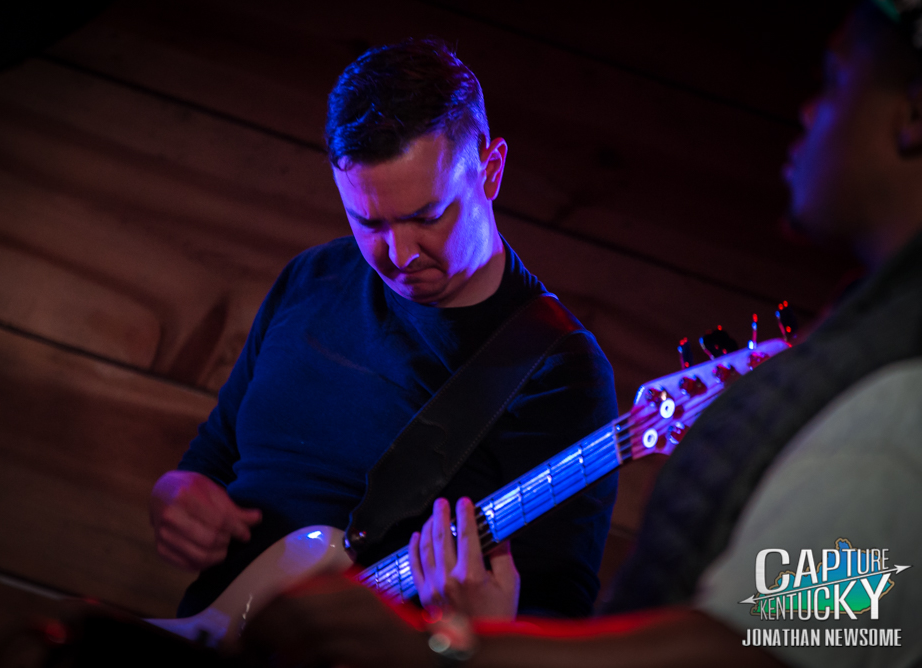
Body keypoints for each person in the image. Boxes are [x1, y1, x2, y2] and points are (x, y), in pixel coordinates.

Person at [245, 2, 922, 666]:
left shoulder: (895, 408)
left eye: (835, 81)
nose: (806, 111)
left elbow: (766, 644)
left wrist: (455, 645)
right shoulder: (313, 274)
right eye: (371, 223)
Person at [148, 38, 619, 621]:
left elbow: (560, 612)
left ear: (491, 170)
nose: (399, 254)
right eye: (368, 222)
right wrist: (175, 495)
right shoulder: (312, 276)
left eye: (427, 216)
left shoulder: (557, 369)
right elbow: (214, 456)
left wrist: (486, 630)